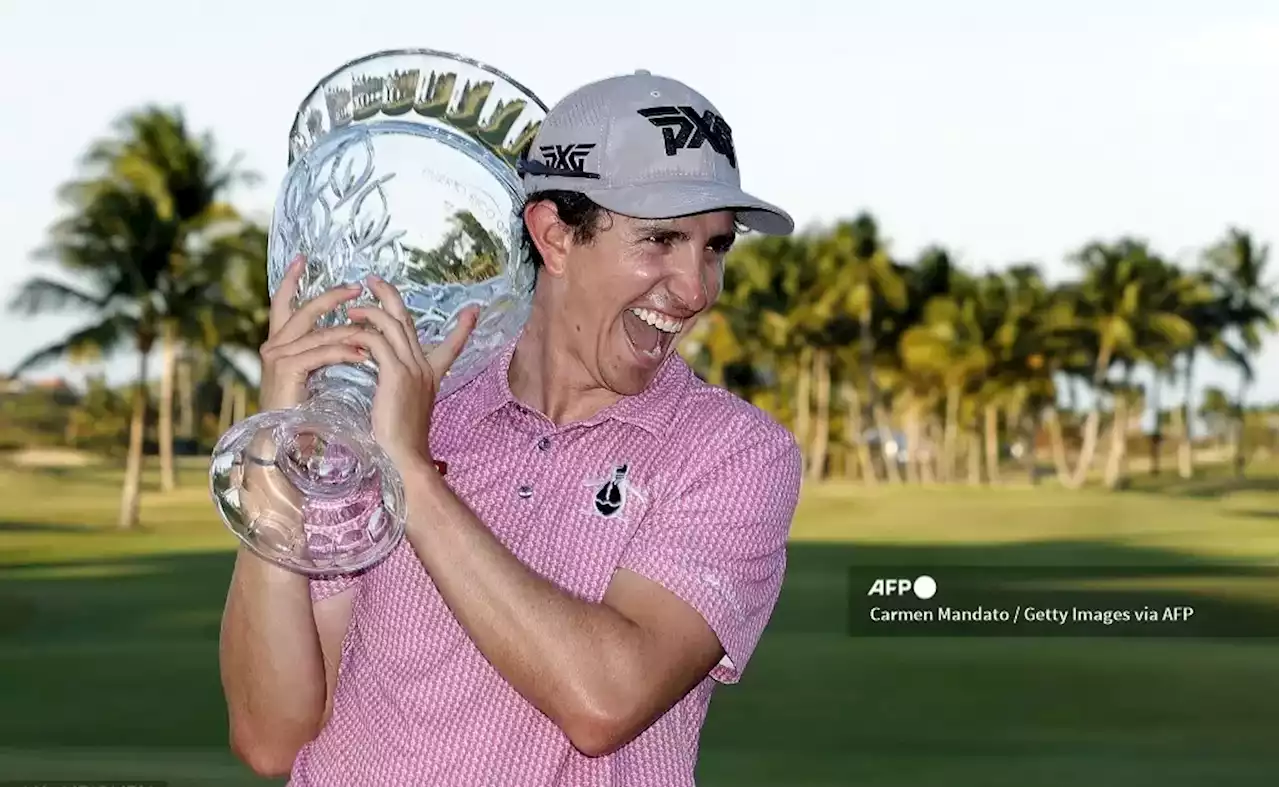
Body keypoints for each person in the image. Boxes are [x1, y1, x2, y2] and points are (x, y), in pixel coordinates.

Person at [218, 68, 802, 786]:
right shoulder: (414, 405)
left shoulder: (733, 453)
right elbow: (271, 736)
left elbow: (604, 700)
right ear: (555, 235)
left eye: (715, 246)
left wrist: (411, 472)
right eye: (661, 240)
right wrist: (280, 457)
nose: (697, 289)